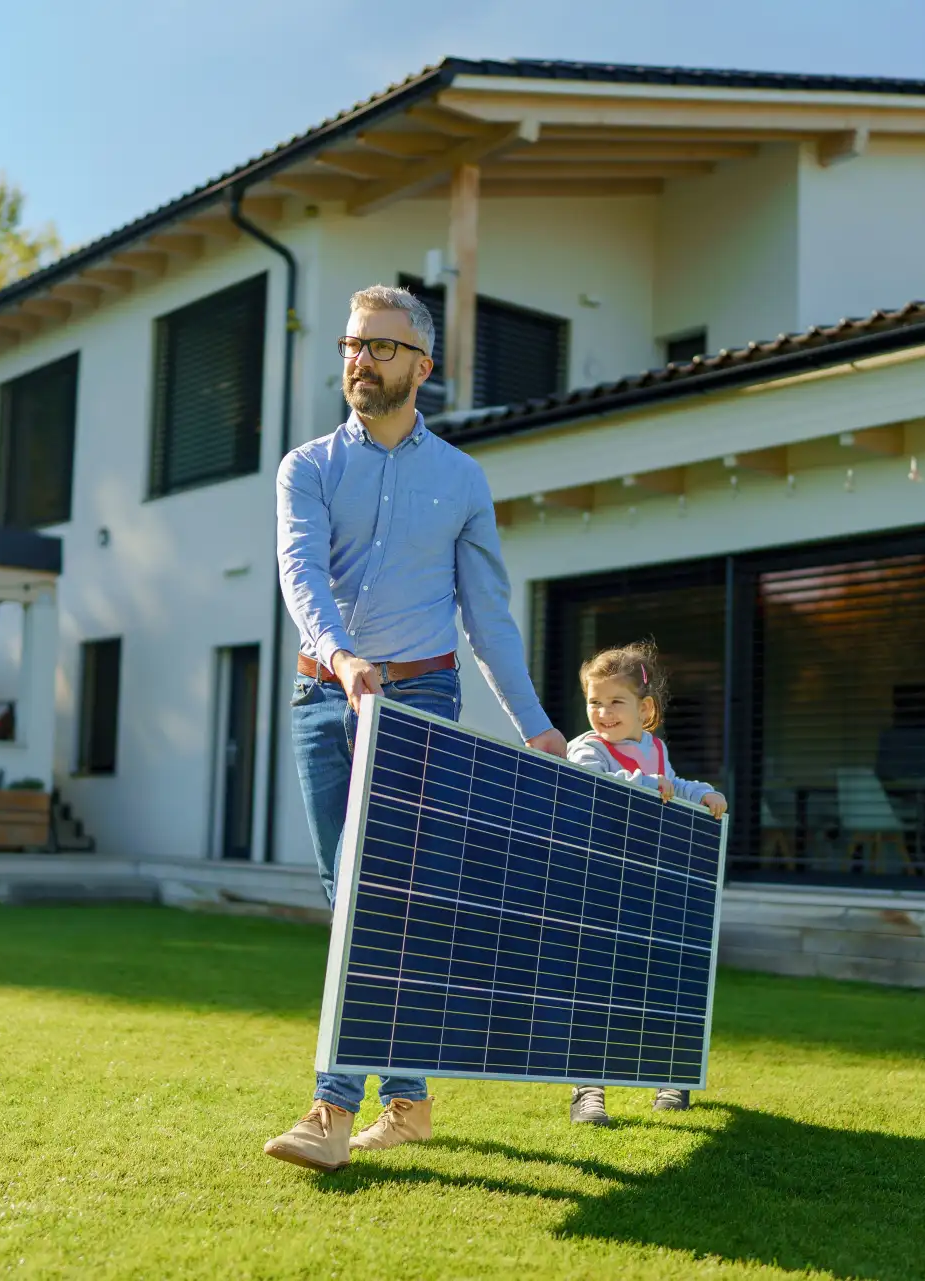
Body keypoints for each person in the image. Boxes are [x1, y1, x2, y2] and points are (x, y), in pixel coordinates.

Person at [263, 283, 568, 1172]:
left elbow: (489, 620)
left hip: (422, 705)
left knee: (375, 897)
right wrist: (341, 655)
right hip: (323, 698)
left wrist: (537, 726)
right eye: (353, 344)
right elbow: (300, 574)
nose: (360, 359)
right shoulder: (307, 467)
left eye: (381, 347)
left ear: (422, 367)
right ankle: (410, 1098)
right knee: (347, 896)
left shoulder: (462, 482)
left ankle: (329, 1108)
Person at [561, 640, 727, 1126]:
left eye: (617, 702)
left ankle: (669, 1076)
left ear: (645, 708)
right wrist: (640, 785)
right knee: (595, 986)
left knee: (659, 982)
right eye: (595, 701)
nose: (603, 712)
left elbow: (674, 786)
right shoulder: (588, 748)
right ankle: (588, 1087)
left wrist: (705, 794)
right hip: (600, 887)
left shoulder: (656, 749)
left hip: (648, 888)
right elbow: (594, 787)